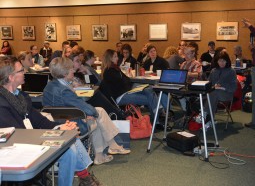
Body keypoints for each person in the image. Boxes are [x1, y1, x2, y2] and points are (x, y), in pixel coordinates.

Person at [0, 56, 101, 186]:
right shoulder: (2, 103)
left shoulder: (21, 97)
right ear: (10, 77)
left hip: (32, 139)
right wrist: (57, 131)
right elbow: (17, 135)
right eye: (21, 70)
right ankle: (85, 178)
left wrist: (61, 127)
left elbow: (40, 121)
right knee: (70, 146)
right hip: (19, 149)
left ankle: (81, 179)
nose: (25, 72)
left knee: (69, 147)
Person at [43, 57, 130, 165]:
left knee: (98, 114)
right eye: (71, 69)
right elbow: (85, 107)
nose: (74, 71)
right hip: (71, 123)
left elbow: (65, 107)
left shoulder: (49, 86)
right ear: (65, 73)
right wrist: (87, 114)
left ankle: (103, 153)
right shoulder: (64, 90)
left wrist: (87, 113)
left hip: (60, 119)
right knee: (98, 114)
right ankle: (110, 147)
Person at [100, 49, 166, 119]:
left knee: (149, 89)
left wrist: (133, 87)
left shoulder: (115, 68)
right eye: (115, 57)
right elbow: (123, 83)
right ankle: (159, 115)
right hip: (120, 96)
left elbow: (126, 80)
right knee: (150, 98)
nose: (117, 58)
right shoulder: (109, 71)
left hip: (126, 92)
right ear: (110, 58)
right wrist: (133, 87)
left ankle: (159, 116)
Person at [204, 51, 237, 119]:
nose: (221, 63)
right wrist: (213, 86)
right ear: (217, 61)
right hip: (214, 92)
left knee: (213, 93)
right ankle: (208, 118)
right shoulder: (214, 71)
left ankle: (205, 115)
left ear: (227, 61)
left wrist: (222, 87)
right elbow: (208, 83)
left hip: (226, 93)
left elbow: (233, 87)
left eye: (223, 61)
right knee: (209, 94)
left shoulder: (231, 71)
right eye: (220, 61)